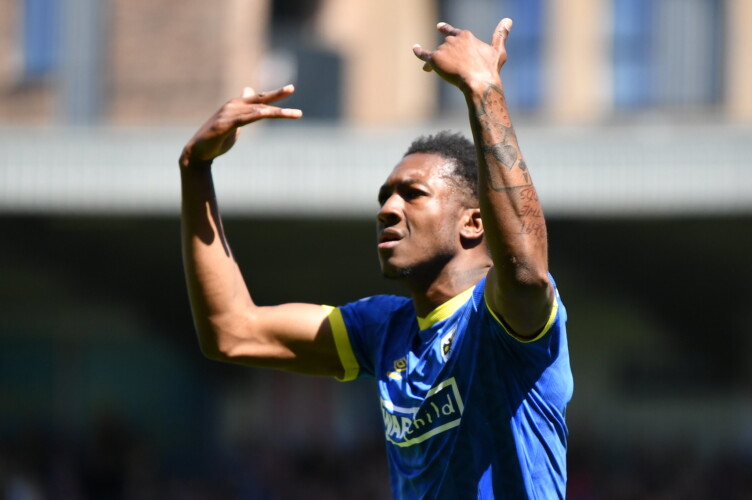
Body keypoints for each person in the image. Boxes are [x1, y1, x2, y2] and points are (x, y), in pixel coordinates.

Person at [179, 18, 572, 499]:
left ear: (474, 223)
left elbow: (526, 271)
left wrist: (483, 90)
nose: (388, 209)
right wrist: (195, 169)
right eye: (385, 197)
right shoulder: (384, 330)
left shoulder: (502, 324)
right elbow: (232, 331)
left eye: (413, 194)